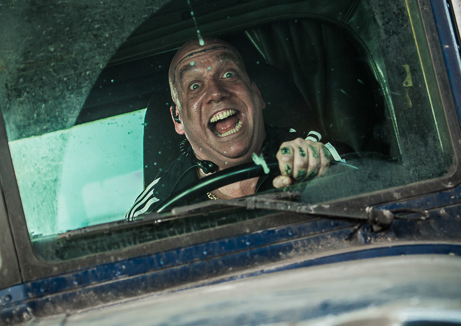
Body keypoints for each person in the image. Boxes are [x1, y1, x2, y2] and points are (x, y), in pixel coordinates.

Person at [128, 38, 333, 219]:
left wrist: (319, 180)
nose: (216, 93)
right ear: (178, 119)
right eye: (195, 86)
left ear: (257, 95)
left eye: (228, 74)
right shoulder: (157, 204)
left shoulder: (312, 151)